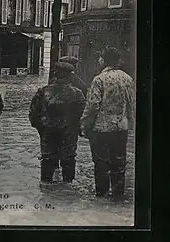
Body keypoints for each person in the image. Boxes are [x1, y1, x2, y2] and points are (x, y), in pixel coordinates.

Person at [81, 47, 135, 200]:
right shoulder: (127, 78)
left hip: (101, 128)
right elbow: (133, 104)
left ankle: (102, 195)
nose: (98, 61)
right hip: (122, 128)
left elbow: (93, 106)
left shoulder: (99, 79)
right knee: (119, 163)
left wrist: (85, 124)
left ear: (104, 60)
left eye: (100, 58)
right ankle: (118, 195)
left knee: (101, 163)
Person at [29, 61, 86, 184]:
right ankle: (67, 193)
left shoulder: (43, 91)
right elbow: (83, 116)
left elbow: (33, 115)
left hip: (48, 132)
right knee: (68, 161)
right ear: (70, 76)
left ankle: (47, 193)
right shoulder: (77, 93)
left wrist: (41, 129)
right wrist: (79, 131)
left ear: (55, 74)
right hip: (69, 134)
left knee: (47, 161)